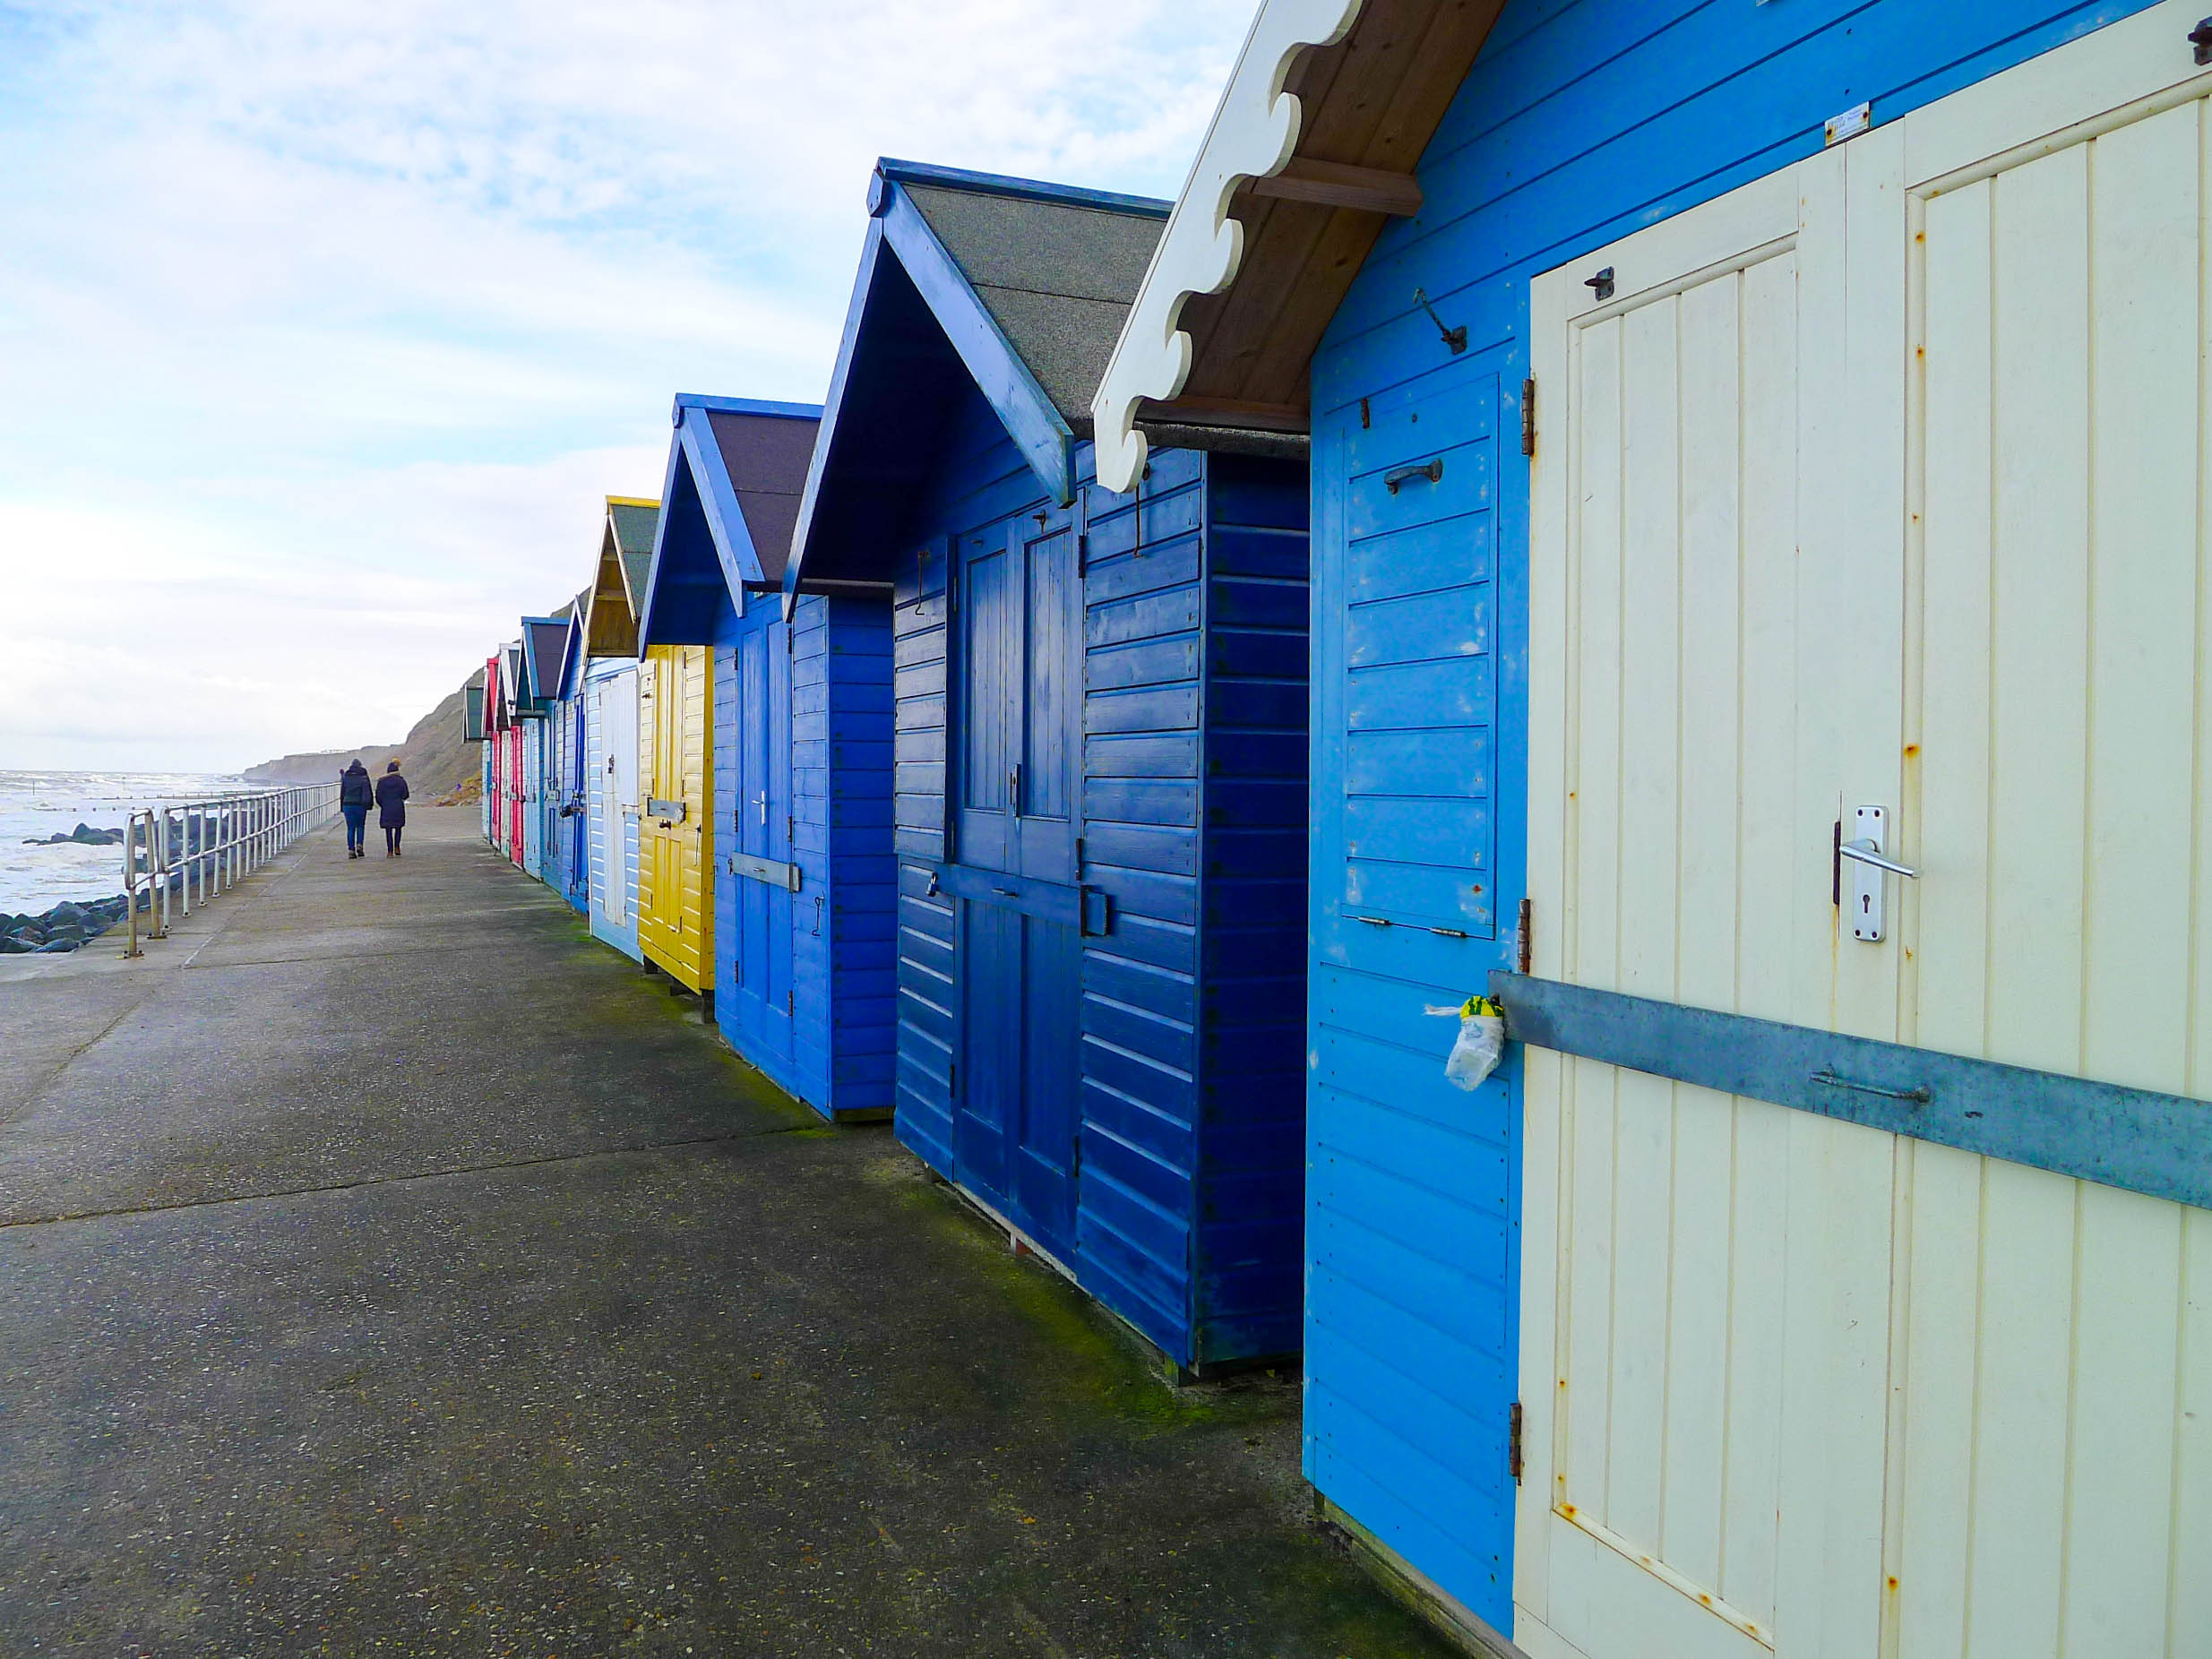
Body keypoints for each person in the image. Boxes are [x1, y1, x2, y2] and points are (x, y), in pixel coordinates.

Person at [339, 759, 374, 859]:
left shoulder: (346, 777)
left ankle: (351, 850)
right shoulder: (364, 777)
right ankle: (359, 845)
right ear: (360, 766)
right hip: (360, 805)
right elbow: (368, 791)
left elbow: (342, 793)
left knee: (350, 828)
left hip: (347, 805)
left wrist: (341, 807)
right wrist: (369, 805)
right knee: (360, 826)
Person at [375, 760, 410, 856]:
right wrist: (400, 799)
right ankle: (397, 847)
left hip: (386, 807)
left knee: (388, 829)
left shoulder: (381, 782)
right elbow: (406, 794)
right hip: (398, 806)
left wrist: (383, 804)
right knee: (398, 828)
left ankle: (390, 851)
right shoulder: (401, 781)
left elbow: (378, 796)